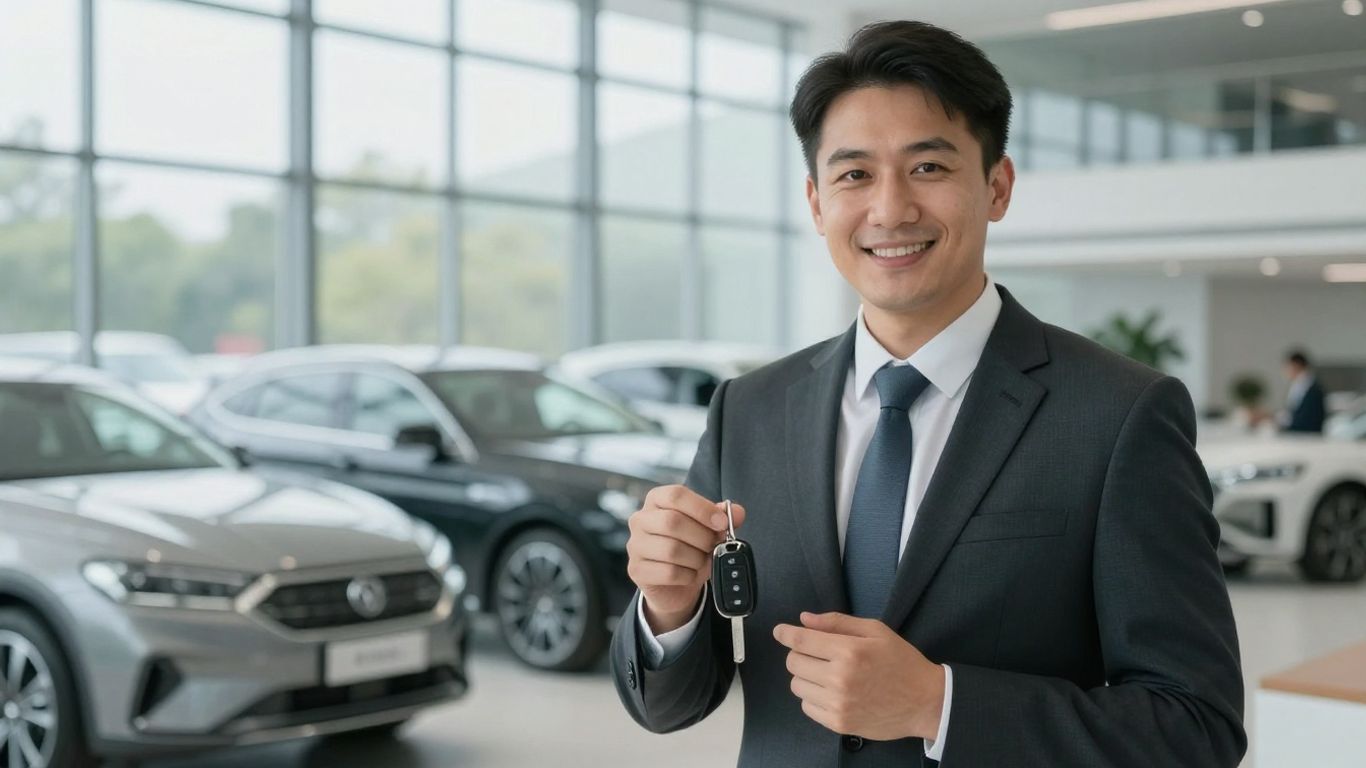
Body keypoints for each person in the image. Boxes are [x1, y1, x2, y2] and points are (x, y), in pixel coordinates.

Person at [609, 20, 1245, 767]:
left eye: (929, 168)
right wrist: (667, 609)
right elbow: (669, 704)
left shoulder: (1118, 416)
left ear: (997, 185)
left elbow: (1195, 728)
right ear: (816, 204)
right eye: (854, 175)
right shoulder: (749, 411)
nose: (890, 210)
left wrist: (939, 704)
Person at [1281, 349, 1327, 434]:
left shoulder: (1308, 386)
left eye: (1288, 367)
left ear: (1296, 365)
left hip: (1306, 435)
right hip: (1302, 433)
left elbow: (1303, 417)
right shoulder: (1301, 384)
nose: (1286, 371)